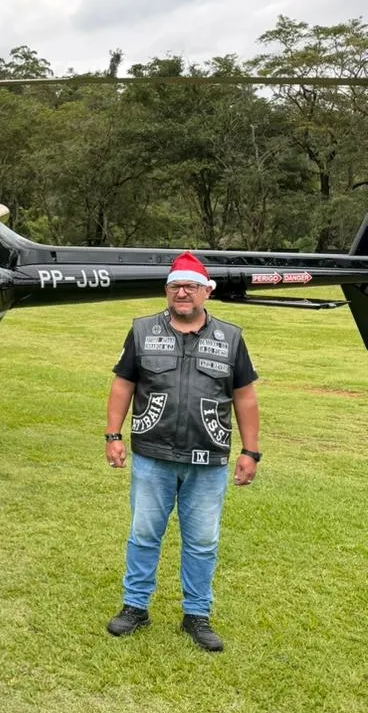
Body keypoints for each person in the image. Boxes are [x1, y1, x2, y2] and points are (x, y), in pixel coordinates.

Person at [104, 251, 260, 652]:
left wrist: (251, 451)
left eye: (191, 286)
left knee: (203, 541)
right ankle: (135, 607)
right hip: (152, 455)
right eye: (176, 286)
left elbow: (244, 396)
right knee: (143, 535)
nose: (183, 293)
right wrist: (113, 435)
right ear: (166, 291)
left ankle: (197, 614)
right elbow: (123, 384)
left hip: (208, 459)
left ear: (207, 292)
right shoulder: (142, 331)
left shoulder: (231, 338)